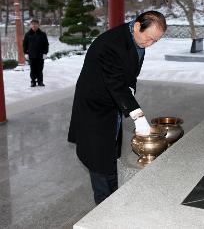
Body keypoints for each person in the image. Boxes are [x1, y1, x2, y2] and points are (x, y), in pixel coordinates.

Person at [67, 11, 167, 204]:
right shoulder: (110, 44)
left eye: (155, 41)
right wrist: (138, 116)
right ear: (137, 26)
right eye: (149, 39)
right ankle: (103, 210)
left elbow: (126, 75)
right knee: (99, 160)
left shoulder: (136, 39)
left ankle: (112, 199)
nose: (150, 44)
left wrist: (130, 88)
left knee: (111, 153)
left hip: (112, 105)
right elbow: (114, 82)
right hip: (94, 108)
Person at [23, 19, 49, 87]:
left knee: (40, 69)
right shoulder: (27, 34)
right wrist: (25, 53)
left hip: (40, 55)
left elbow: (46, 44)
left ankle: (40, 81)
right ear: (31, 25)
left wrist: (45, 53)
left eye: (35, 24)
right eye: (32, 24)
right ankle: (33, 82)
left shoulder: (43, 34)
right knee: (33, 69)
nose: (34, 25)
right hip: (31, 55)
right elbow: (25, 44)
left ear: (38, 25)